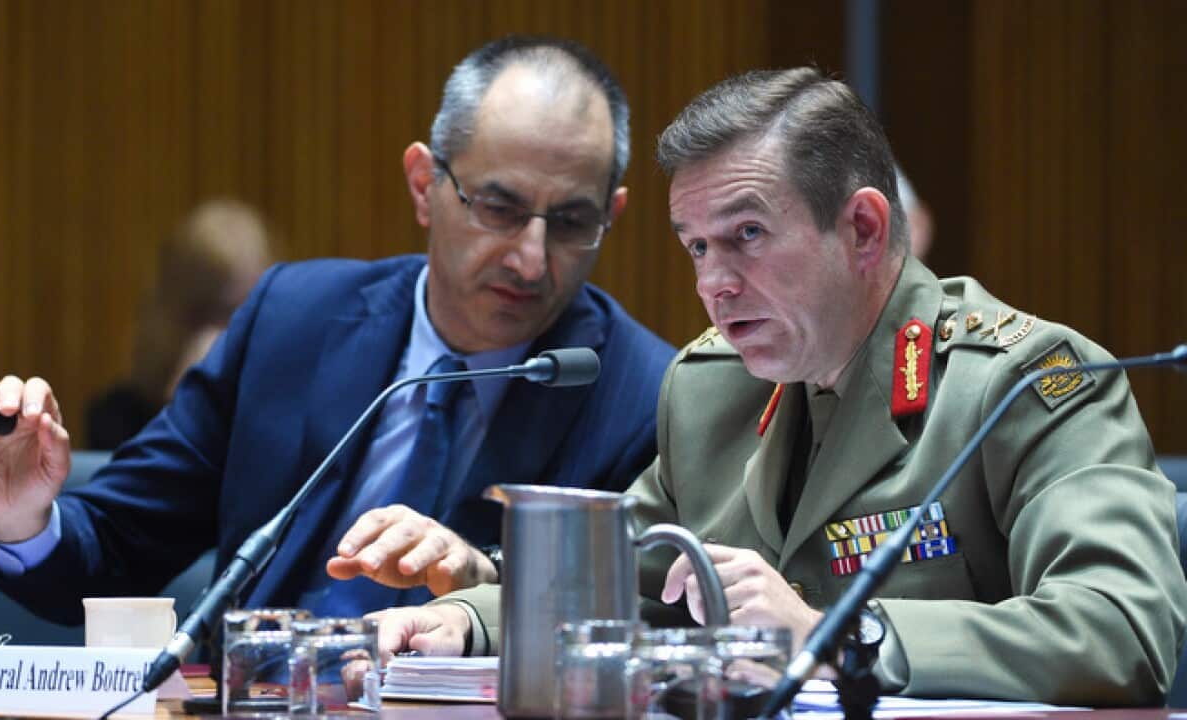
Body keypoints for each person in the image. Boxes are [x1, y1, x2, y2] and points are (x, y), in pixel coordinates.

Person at [374, 68, 1186, 706]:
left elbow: (1121, 631)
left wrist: (837, 634)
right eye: (696, 247)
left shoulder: (1023, 386)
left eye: (747, 236)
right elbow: (625, 586)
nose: (714, 285)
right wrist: (468, 622)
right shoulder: (710, 393)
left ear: (862, 230)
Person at [0, 36, 674, 624]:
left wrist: (488, 581)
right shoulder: (294, 320)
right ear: (425, 186)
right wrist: (23, 520)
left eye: (573, 221)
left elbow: (634, 634)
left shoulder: (643, 398)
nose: (530, 257)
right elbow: (115, 548)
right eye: (499, 206)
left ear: (612, 214)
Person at [86, 198, 276, 450]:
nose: (232, 334)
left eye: (250, 312)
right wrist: (183, 410)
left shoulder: (290, 406)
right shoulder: (117, 416)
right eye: (213, 312)